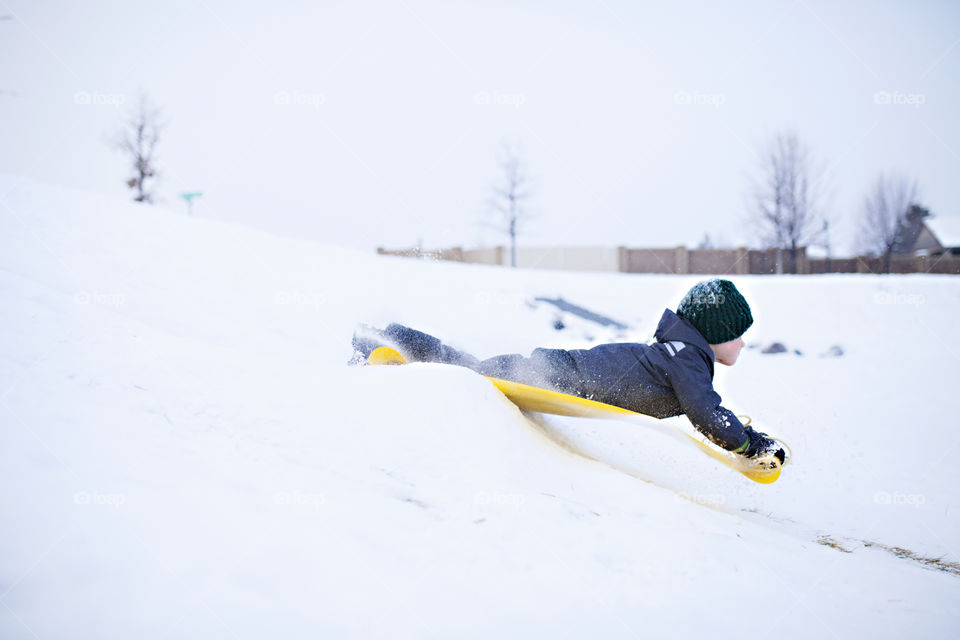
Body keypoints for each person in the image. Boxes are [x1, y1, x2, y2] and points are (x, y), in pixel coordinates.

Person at [353, 278, 784, 462]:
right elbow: (705, 412)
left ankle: (393, 336)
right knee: (467, 369)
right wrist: (748, 444)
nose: (742, 342)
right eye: (737, 333)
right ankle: (390, 339)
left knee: (470, 366)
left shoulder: (677, 352)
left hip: (560, 368)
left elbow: (704, 406)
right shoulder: (686, 359)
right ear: (713, 332)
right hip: (560, 375)